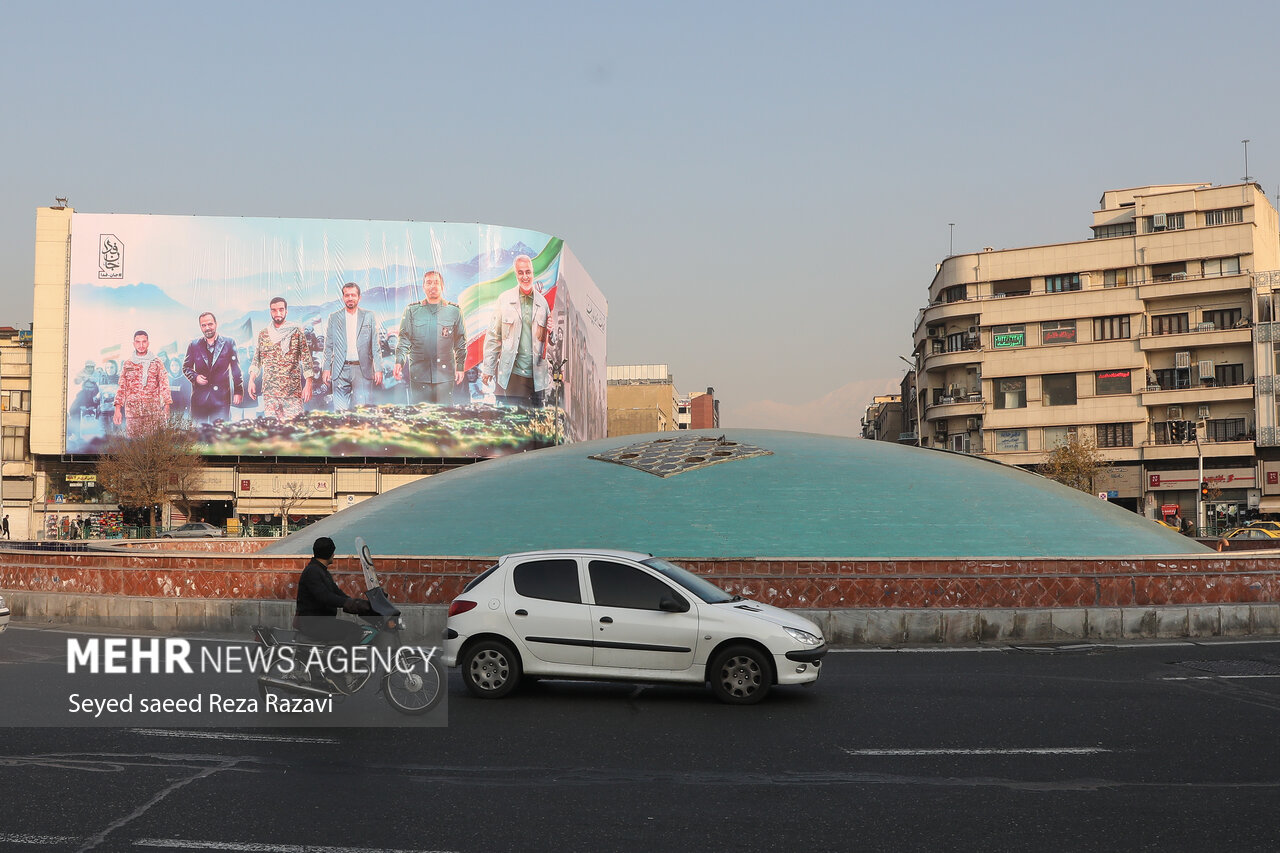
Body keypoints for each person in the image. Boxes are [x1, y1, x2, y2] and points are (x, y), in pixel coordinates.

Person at [482, 255, 551, 407]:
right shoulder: (504, 300)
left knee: (536, 424)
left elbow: (549, 343)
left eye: (528, 272)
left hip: (537, 377)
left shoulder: (543, 303)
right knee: (517, 422)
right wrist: (488, 368)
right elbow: (493, 335)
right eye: (521, 273)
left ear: (533, 273)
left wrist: (550, 333)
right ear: (516, 274)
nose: (525, 276)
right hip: (513, 375)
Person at [395, 271, 467, 404]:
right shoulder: (412, 311)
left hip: (444, 376)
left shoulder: (454, 311)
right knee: (420, 417)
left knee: (444, 416)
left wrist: (461, 366)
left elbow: (460, 342)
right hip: (419, 375)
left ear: (442, 286)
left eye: (436, 282)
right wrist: (399, 361)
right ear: (423, 287)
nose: (432, 286)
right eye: (428, 283)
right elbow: (404, 339)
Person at [295, 536, 371, 645]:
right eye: (333, 552)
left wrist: (357, 603)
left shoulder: (321, 571)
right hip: (313, 623)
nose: (334, 555)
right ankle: (344, 660)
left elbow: (337, 592)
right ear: (329, 553)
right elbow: (325, 596)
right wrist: (347, 603)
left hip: (321, 622)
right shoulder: (313, 572)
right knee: (355, 630)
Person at [247, 297, 314, 420]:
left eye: (281, 310)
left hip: (291, 393)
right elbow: (257, 358)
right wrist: (251, 379)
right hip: (270, 394)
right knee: (274, 432)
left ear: (286, 311)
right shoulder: (264, 334)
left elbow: (306, 359)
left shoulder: (296, 332)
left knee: (294, 430)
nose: (278, 313)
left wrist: (309, 383)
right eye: (274, 310)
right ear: (270, 312)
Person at [322, 283, 381, 410]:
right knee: (340, 412)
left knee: (362, 411)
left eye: (353, 295)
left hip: (362, 369)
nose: (350, 298)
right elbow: (328, 346)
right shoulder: (334, 317)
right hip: (340, 370)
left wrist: (379, 368)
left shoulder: (369, 316)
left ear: (359, 297)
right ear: (343, 297)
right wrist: (326, 368)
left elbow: (375, 345)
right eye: (347, 295)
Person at [182, 312, 243, 424]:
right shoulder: (193, 344)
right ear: (200, 327)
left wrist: (238, 391)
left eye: (210, 324)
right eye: (203, 325)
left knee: (220, 435)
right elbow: (186, 367)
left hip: (221, 399)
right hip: (199, 399)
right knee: (199, 436)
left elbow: (235, 368)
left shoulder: (229, 342)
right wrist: (195, 377)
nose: (207, 328)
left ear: (216, 324)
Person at [112, 330, 173, 437]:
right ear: (133, 344)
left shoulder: (156, 362)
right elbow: (122, 387)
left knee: (153, 446)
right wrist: (117, 410)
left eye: (144, 342)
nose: (141, 345)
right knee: (134, 447)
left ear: (148, 343)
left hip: (152, 413)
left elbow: (164, 385)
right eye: (138, 342)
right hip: (132, 413)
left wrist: (167, 405)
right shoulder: (128, 364)